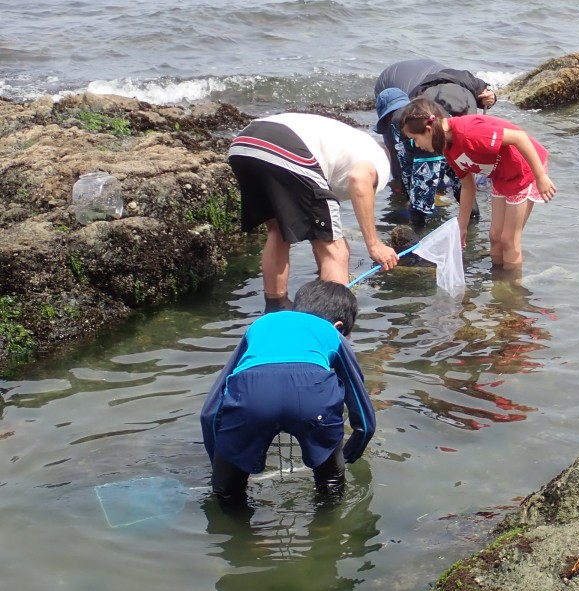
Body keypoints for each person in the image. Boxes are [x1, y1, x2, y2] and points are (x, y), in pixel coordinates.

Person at [200, 279, 376, 505]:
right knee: (330, 485)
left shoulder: (260, 325)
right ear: (340, 327)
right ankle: (323, 532)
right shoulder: (331, 334)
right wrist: (348, 456)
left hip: (252, 395)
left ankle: (248, 537)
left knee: (227, 493)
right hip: (312, 397)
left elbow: (209, 413)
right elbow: (364, 417)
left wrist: (223, 463)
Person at [228, 112, 398, 310]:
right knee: (336, 250)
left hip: (244, 144)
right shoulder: (380, 160)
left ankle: (276, 308)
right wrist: (374, 244)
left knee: (278, 232)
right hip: (285, 146)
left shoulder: (351, 144)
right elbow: (359, 179)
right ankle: (330, 323)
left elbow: (317, 221)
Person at [394, 97, 555, 271]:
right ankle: (497, 282)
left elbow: (519, 138)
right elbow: (468, 186)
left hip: (524, 170)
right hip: (501, 175)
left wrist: (540, 177)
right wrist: (462, 228)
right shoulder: (447, 148)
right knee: (495, 236)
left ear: (428, 130)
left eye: (414, 139)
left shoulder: (469, 132)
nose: (416, 145)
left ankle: (512, 289)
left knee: (509, 239)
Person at [374, 59, 495, 226]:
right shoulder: (462, 83)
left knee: (420, 205)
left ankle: (419, 236)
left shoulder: (400, 118)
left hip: (435, 137)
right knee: (462, 182)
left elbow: (404, 165)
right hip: (453, 133)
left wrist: (409, 195)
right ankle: (472, 225)